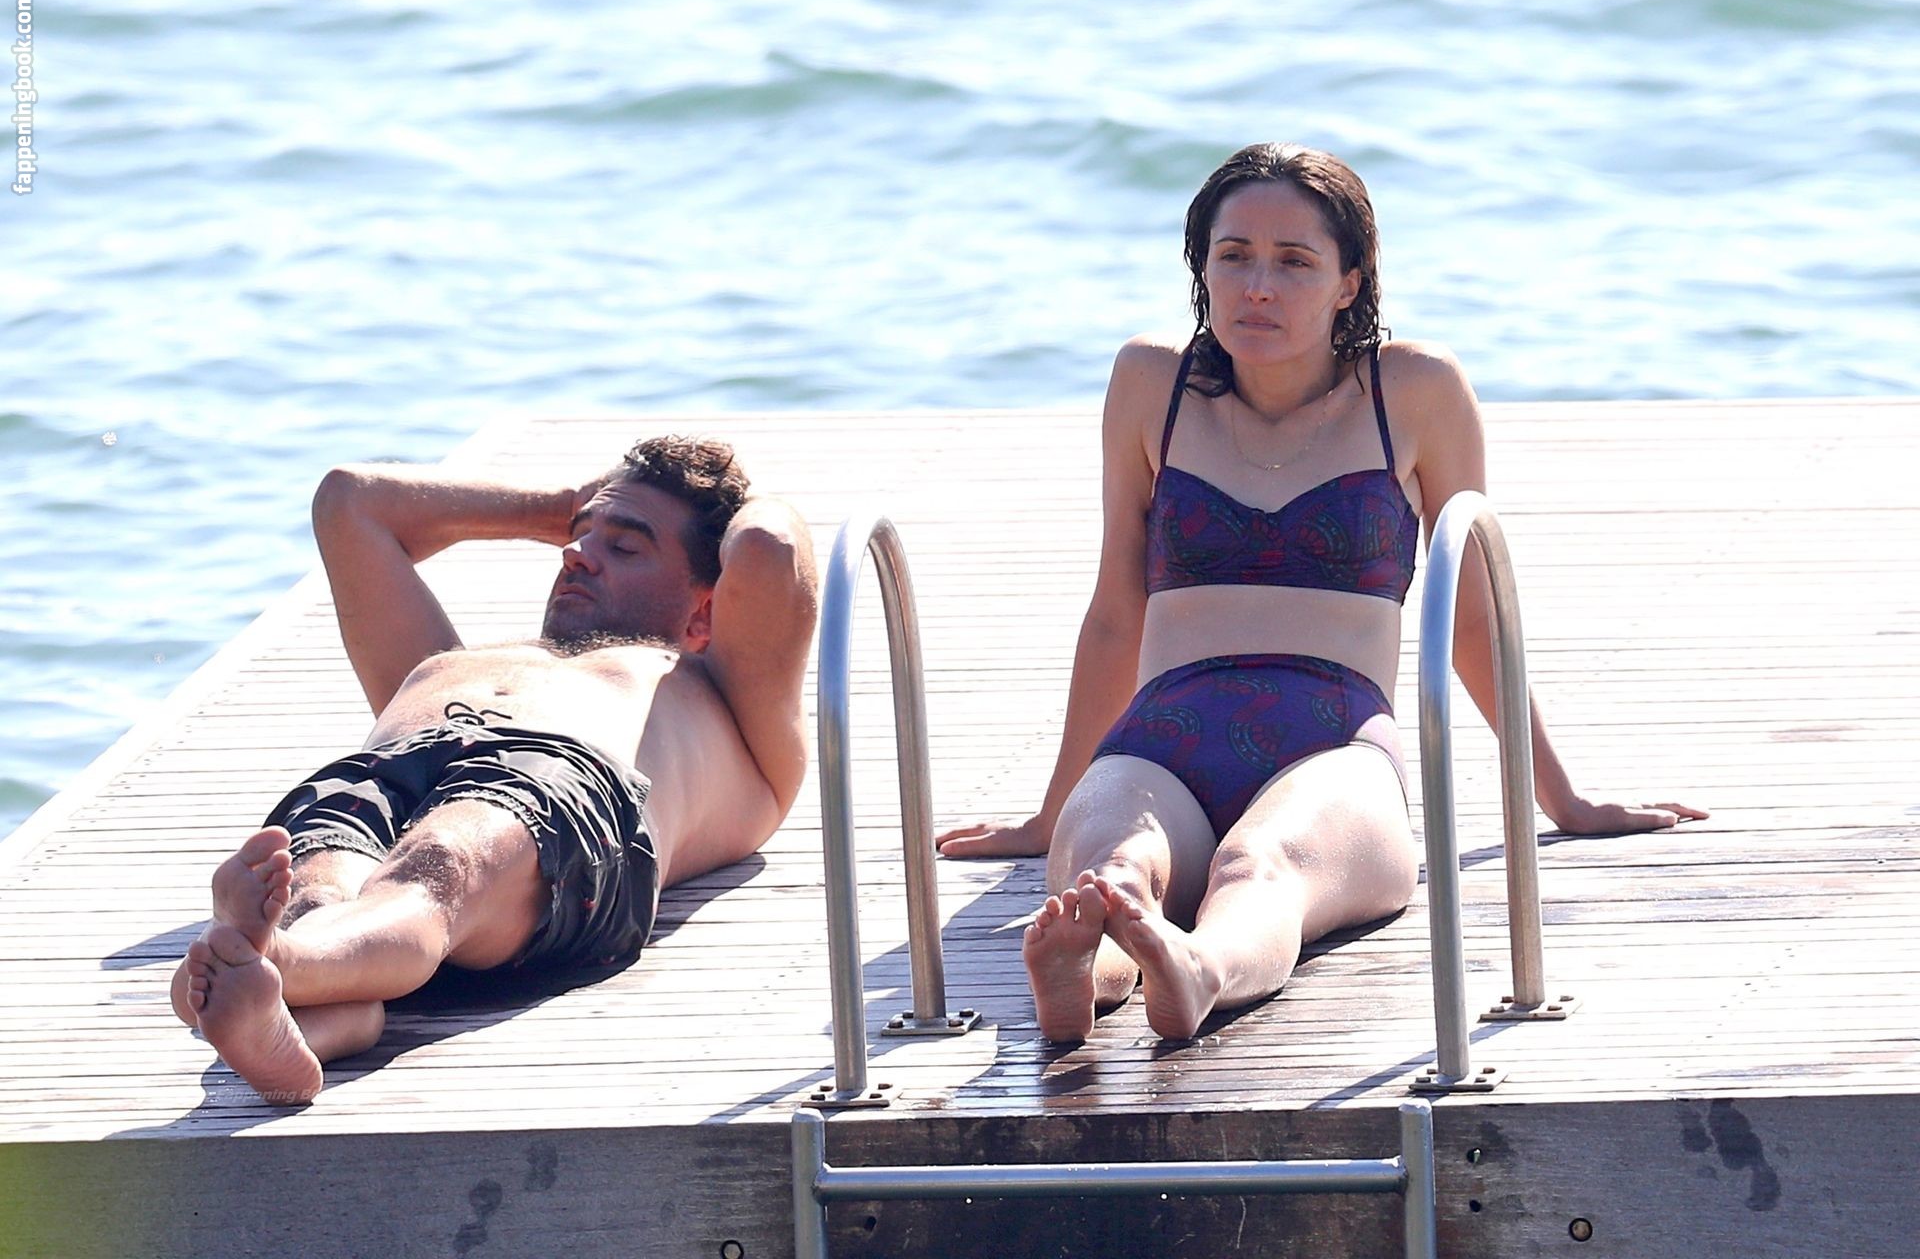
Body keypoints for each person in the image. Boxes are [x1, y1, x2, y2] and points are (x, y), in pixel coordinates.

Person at [936, 143, 1705, 1044]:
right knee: (1115, 869)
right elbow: (1116, 612)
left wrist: (1561, 800)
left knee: (1261, 866)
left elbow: (1471, 619)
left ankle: (1196, 969)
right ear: (1201, 267)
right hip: (1164, 730)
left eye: (1294, 262)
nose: (1259, 286)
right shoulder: (1152, 383)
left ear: (1350, 283)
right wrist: (1051, 810)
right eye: (1234, 256)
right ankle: (1087, 972)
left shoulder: (1413, 391)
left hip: (1336, 740)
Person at [169, 436, 818, 1103]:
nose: (576, 552)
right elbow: (348, 501)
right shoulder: (446, 661)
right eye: (580, 534)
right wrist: (562, 506)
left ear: (706, 610)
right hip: (386, 770)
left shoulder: (726, 704)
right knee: (320, 886)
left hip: (559, 786)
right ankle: (309, 1022)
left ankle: (281, 956)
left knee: (442, 860)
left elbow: (768, 544)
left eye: (625, 547)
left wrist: (717, 491)